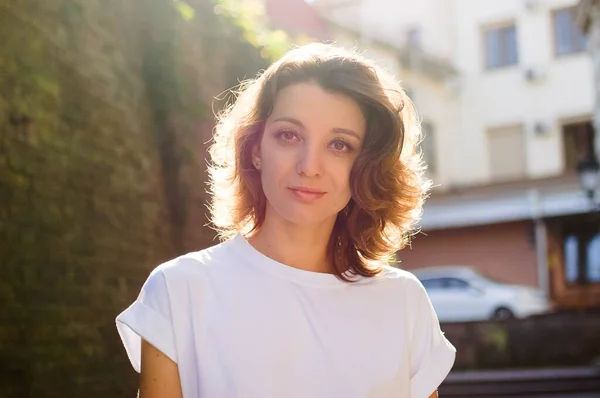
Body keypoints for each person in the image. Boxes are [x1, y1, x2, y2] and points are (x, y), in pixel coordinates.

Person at [116, 43, 456, 398]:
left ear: (365, 167)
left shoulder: (402, 302)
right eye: (289, 135)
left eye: (339, 144)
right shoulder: (179, 290)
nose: (309, 165)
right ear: (256, 149)